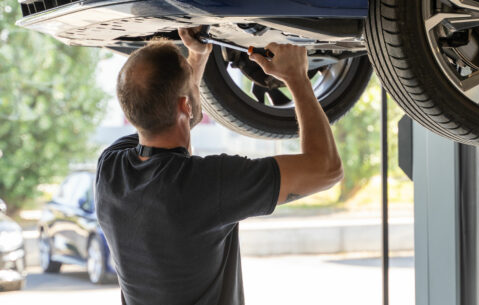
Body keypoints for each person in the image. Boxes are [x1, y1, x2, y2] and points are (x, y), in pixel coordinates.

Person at [95, 26, 343, 305]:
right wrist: (296, 77)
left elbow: (178, 121)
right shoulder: (208, 185)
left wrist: (197, 58)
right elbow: (326, 169)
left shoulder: (110, 170)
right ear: (185, 105)